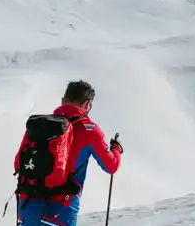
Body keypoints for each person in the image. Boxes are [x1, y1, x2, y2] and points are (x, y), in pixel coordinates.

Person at [14, 80, 123, 226]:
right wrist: (116, 149)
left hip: (28, 206)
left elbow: (18, 163)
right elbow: (111, 166)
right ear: (87, 105)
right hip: (61, 210)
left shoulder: (38, 125)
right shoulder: (90, 130)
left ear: (63, 101)